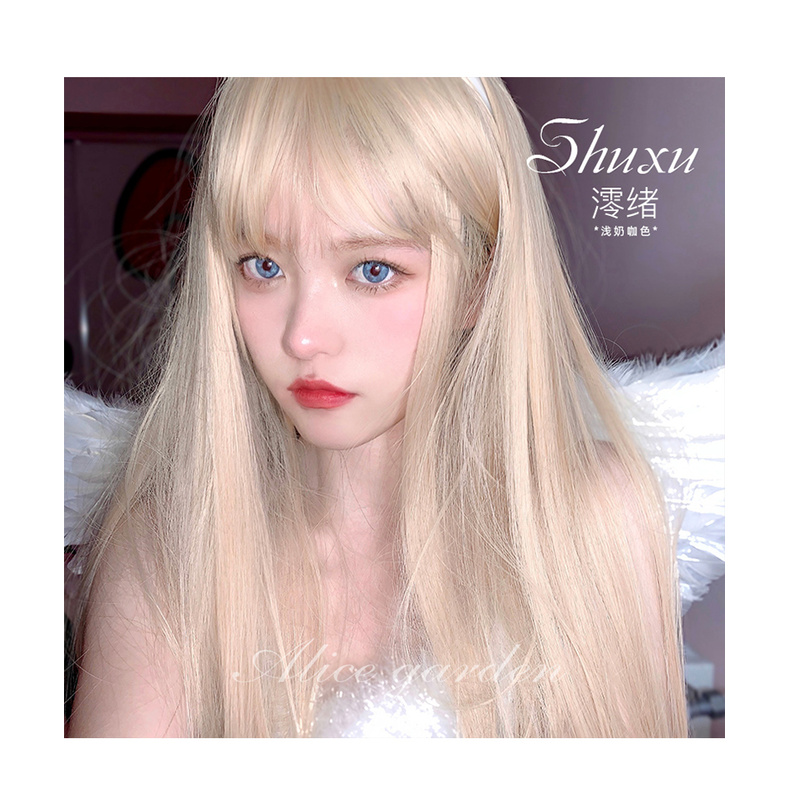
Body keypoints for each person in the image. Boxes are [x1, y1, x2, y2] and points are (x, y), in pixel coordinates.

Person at [66, 77, 692, 737]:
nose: (302, 337)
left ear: (479, 284)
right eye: (263, 266)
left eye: (373, 270)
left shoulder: (593, 517)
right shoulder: (170, 554)